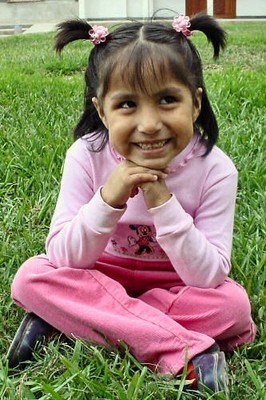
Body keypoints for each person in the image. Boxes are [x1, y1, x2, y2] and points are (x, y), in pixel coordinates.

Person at [7, 14, 256, 395]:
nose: (150, 123)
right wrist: (109, 198)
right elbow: (61, 255)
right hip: (97, 275)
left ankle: (68, 321)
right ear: (102, 110)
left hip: (175, 286)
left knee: (232, 307)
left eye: (168, 99)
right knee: (31, 277)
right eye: (127, 104)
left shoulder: (215, 169)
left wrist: (162, 201)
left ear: (195, 103)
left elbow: (208, 276)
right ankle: (184, 351)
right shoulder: (85, 156)